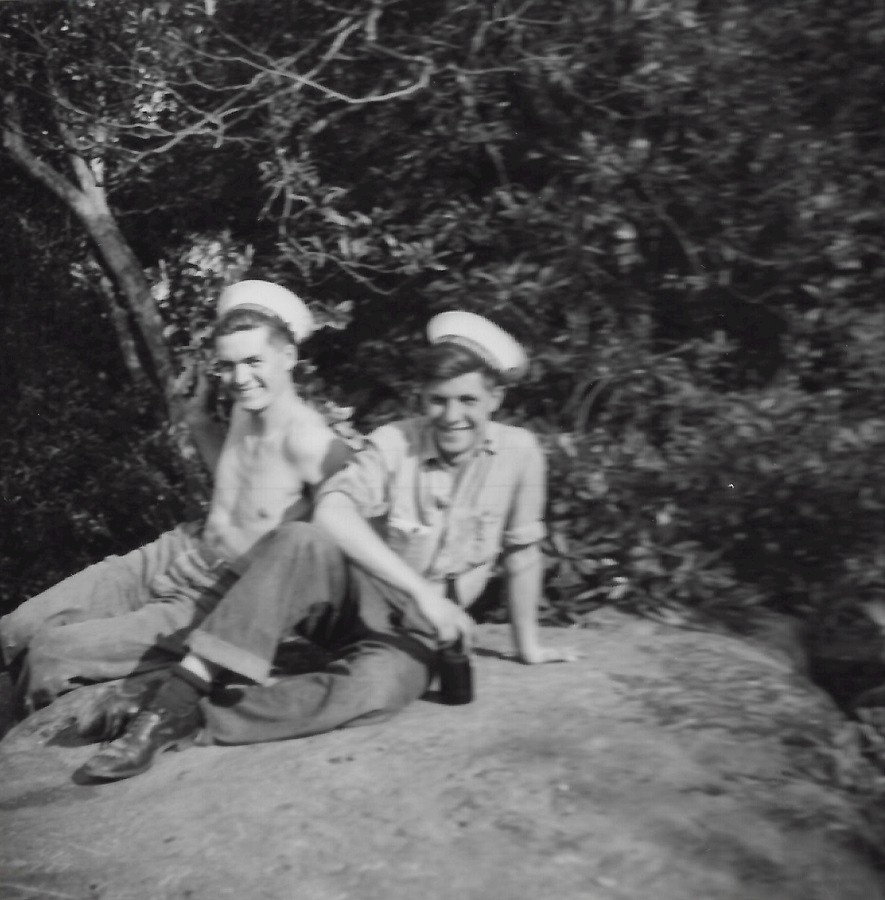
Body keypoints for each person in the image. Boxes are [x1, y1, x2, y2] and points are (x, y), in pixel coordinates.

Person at [79, 311, 574, 782]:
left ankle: (192, 716)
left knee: (378, 690)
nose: (452, 416)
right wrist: (424, 594)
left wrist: (528, 647)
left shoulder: (521, 454)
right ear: (421, 398)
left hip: (424, 635)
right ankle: (175, 698)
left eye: (468, 401)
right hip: (365, 599)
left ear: (495, 399)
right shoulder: (394, 442)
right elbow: (333, 511)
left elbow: (523, 553)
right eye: (438, 400)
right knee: (300, 538)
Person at [0, 280, 351, 714]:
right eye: (229, 365)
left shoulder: (316, 445)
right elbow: (241, 486)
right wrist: (198, 421)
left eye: (254, 362)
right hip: (178, 550)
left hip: (216, 594)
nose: (241, 378)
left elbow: (339, 544)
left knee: (50, 656)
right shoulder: (246, 405)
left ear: (289, 357)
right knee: (15, 628)